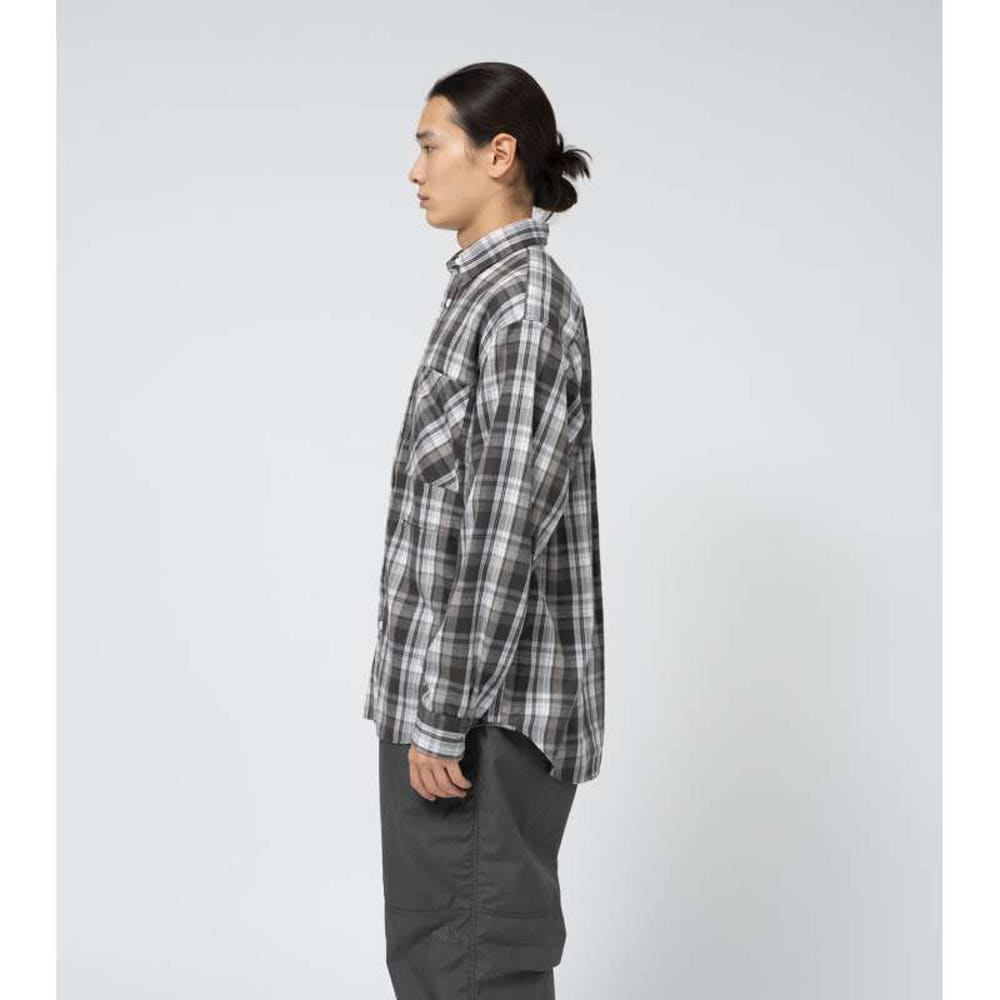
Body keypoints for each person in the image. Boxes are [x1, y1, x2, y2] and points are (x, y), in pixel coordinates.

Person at [361, 60, 605, 999]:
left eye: (431, 146)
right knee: (440, 963)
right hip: (458, 708)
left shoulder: (523, 306)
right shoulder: (483, 295)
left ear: (499, 154)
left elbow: (503, 529)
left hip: (478, 723)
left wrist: (441, 714)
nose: (415, 171)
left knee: (468, 970)